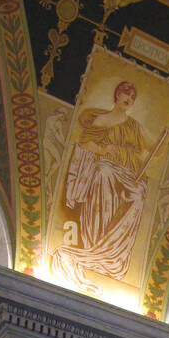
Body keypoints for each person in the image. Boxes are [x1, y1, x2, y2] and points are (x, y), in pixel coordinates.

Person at [51, 81, 157, 289]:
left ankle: (113, 253)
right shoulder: (102, 120)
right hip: (107, 167)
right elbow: (85, 143)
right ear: (116, 96)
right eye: (126, 94)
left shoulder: (134, 126)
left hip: (129, 173)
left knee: (138, 196)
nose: (129, 98)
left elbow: (155, 148)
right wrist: (104, 150)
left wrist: (164, 139)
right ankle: (95, 245)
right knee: (104, 173)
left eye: (132, 97)